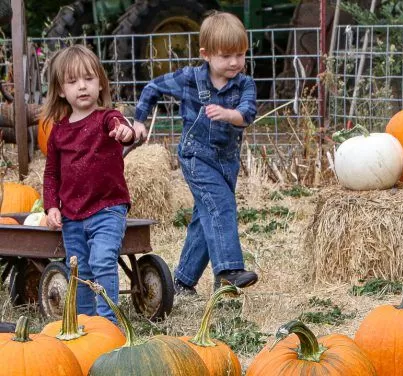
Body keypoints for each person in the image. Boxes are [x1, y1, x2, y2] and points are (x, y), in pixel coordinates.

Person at [133, 11, 258, 294]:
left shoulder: (245, 84)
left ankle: (183, 281)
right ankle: (228, 270)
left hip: (226, 162)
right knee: (221, 206)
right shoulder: (190, 79)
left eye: (240, 54)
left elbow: (247, 114)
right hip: (195, 157)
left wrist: (228, 114)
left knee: (206, 216)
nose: (235, 62)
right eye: (226, 56)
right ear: (206, 54)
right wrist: (139, 119)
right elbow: (152, 87)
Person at [42, 44, 135, 323]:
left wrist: (124, 132)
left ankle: (108, 323)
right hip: (71, 215)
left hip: (107, 208)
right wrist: (51, 207)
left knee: (103, 261)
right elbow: (51, 175)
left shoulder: (107, 118)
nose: (82, 87)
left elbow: (124, 129)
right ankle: (85, 322)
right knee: (80, 271)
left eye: (89, 79)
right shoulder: (58, 132)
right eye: (73, 81)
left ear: (100, 83)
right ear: (61, 90)